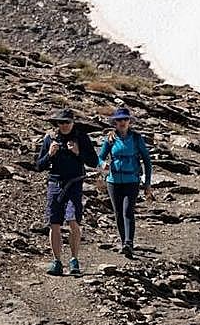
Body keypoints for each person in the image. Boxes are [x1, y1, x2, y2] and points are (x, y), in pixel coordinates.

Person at [36, 108, 98, 276]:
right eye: (61, 122)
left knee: (72, 220)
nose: (64, 125)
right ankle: (56, 261)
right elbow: (39, 165)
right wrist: (49, 155)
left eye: (67, 122)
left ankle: (74, 260)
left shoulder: (81, 138)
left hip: (74, 184)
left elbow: (94, 161)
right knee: (54, 223)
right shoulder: (50, 138)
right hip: (55, 183)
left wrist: (78, 153)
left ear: (73, 122)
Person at [98, 106, 153, 258]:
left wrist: (147, 183)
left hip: (132, 180)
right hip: (113, 181)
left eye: (125, 119)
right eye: (119, 120)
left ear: (129, 121)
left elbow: (147, 161)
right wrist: (103, 164)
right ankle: (124, 243)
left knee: (127, 211)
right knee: (118, 213)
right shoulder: (110, 139)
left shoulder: (136, 138)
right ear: (115, 122)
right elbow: (100, 157)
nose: (122, 122)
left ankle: (129, 242)